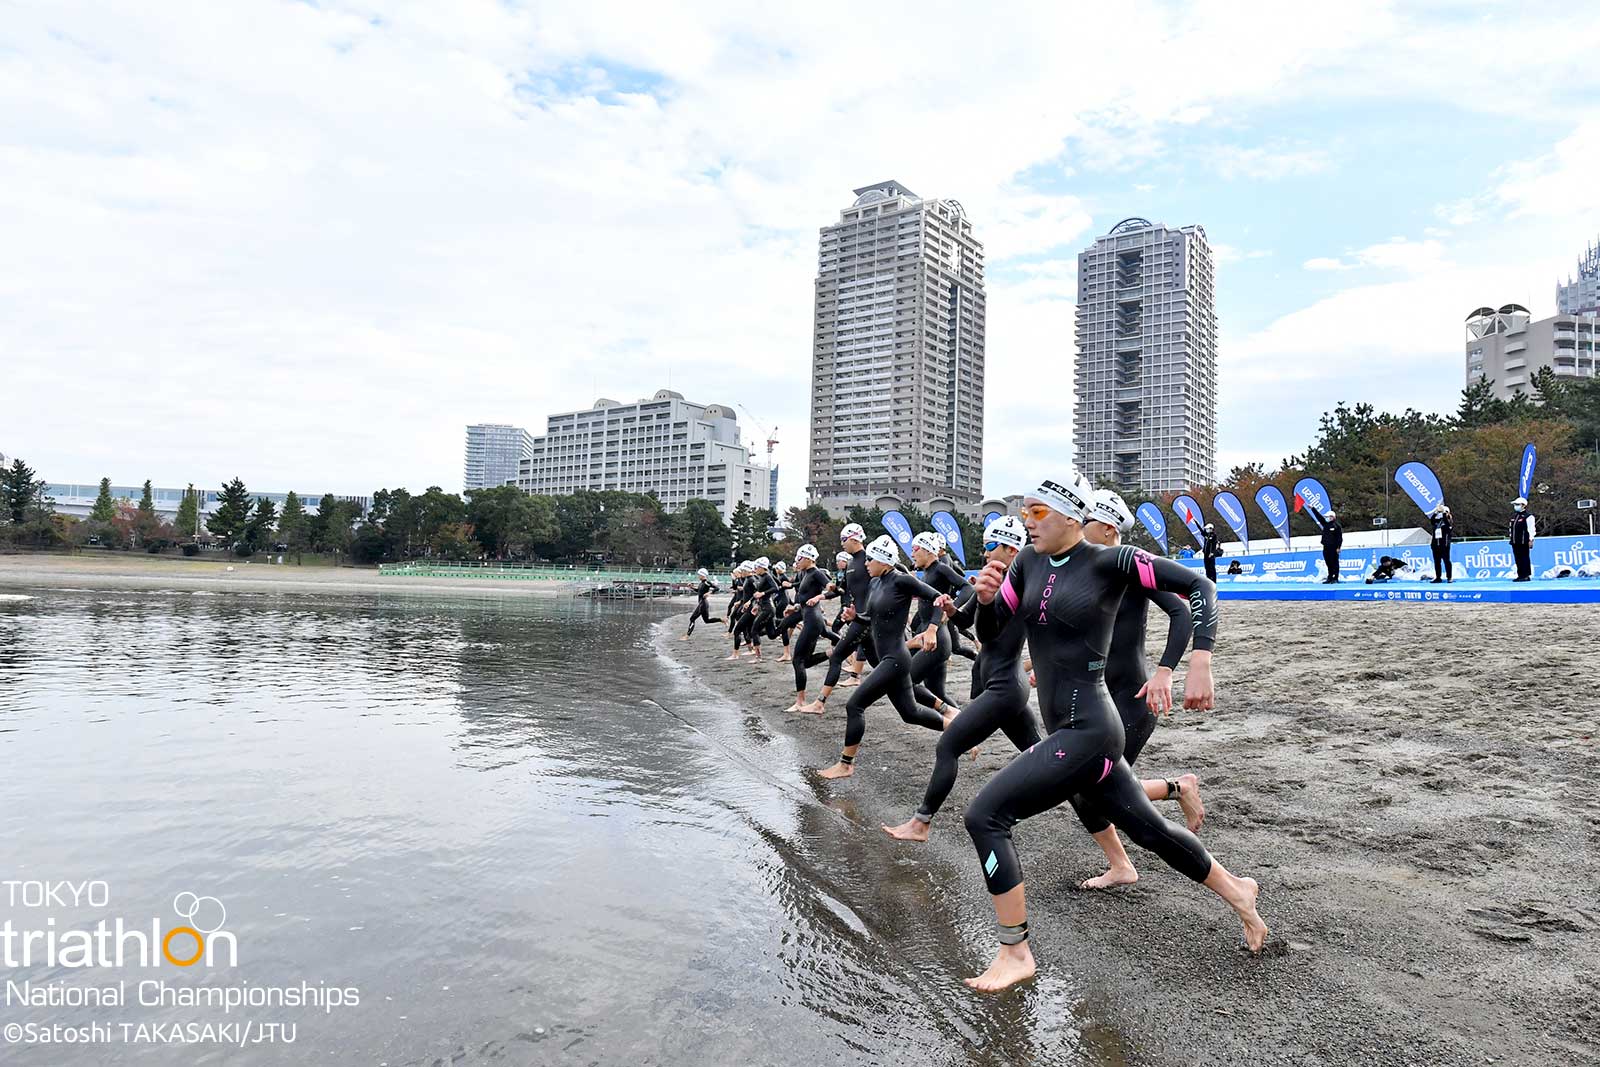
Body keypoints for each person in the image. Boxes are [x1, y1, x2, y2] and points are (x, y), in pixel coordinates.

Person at [962, 470, 1266, 992]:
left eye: (1036, 513)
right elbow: (993, 638)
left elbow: (1200, 586)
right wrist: (986, 603)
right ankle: (1238, 889)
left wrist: (1198, 662)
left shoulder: (1113, 562)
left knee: (985, 816)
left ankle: (1015, 952)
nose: (1025, 523)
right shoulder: (1028, 564)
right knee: (1149, 830)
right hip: (1070, 728)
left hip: (1090, 729)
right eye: (1023, 513)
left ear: (1072, 517)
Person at [1069, 488, 1208, 889]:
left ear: (1109, 528)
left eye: (1086, 523)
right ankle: (1175, 789)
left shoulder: (1131, 568)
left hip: (1132, 699)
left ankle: (1127, 861)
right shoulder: (1087, 570)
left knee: (1093, 791)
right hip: (1098, 698)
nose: (1078, 529)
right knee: (1091, 789)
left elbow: (1181, 611)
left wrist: (1165, 671)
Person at [885, 516, 1040, 842]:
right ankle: (1111, 818)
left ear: (1012, 549)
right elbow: (969, 616)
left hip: (1004, 687)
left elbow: (1042, 629)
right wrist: (950, 609)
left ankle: (921, 823)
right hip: (999, 683)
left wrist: (1041, 665)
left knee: (948, 746)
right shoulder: (995, 578)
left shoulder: (1024, 583)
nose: (984, 555)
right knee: (1042, 755)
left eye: (988, 547)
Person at [816, 535, 954, 780]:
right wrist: (854, 617)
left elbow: (939, 600)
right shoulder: (875, 583)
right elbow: (870, 618)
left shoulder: (902, 581)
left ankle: (846, 764)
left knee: (854, 705)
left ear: (883, 559)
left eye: (871, 558)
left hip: (896, 659)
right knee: (910, 713)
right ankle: (958, 730)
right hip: (887, 658)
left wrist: (932, 628)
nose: (866, 563)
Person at [800, 525, 878, 714]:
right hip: (858, 619)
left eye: (843, 540)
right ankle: (916, 687)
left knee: (836, 657)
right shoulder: (851, 564)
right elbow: (842, 590)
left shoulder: (870, 560)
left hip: (865, 620)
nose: (841, 544)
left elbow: (892, 576)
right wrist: (822, 596)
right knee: (879, 662)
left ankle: (819, 703)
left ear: (855, 539)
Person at [907, 531, 968, 716]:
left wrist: (951, 609)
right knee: (937, 691)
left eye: (915, 549)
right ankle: (965, 730)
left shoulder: (940, 567)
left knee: (906, 682)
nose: (912, 554)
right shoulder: (927, 572)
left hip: (937, 638)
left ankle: (952, 717)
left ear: (927, 550)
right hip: (931, 634)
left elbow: (967, 588)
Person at [780, 545, 835, 712]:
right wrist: (796, 607)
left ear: (810, 558)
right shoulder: (805, 574)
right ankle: (832, 652)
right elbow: (805, 598)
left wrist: (821, 596)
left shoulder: (817, 573)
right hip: (809, 617)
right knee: (805, 661)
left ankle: (801, 701)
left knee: (798, 660)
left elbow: (833, 589)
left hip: (813, 620)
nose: (798, 561)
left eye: (800, 558)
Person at [683, 567, 722, 639]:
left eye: (699, 575)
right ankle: (721, 620)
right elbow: (699, 591)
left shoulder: (707, 582)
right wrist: (692, 587)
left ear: (702, 575)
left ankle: (687, 636)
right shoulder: (701, 583)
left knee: (692, 619)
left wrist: (709, 592)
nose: (698, 576)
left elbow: (717, 588)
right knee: (707, 620)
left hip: (703, 604)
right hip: (703, 604)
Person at [1312, 507, 1343, 583]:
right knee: (1328, 562)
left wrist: (1338, 547)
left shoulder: (1337, 526)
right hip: (1326, 547)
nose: (1326, 518)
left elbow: (1339, 538)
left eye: (1328, 517)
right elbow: (1319, 517)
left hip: (1334, 547)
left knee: (1334, 562)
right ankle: (1330, 577)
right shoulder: (1325, 524)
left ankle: (1335, 577)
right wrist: (1313, 508)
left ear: (1332, 517)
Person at [1509, 497, 1536, 582]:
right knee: (1518, 558)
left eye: (1517, 504)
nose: (1515, 506)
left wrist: (1531, 540)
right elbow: (1512, 529)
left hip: (1523, 541)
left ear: (1524, 506)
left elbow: (1531, 529)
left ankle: (1526, 575)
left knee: (1524, 558)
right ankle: (1520, 575)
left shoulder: (1528, 517)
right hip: (1515, 541)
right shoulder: (1514, 516)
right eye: (1515, 505)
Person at [1428, 505, 1454, 583]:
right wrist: (1436, 512)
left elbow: (1447, 523)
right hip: (1436, 544)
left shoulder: (1448, 521)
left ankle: (1449, 577)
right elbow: (1432, 520)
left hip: (1444, 544)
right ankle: (1438, 577)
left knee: (1446, 561)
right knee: (1437, 562)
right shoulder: (1437, 522)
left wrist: (1444, 513)